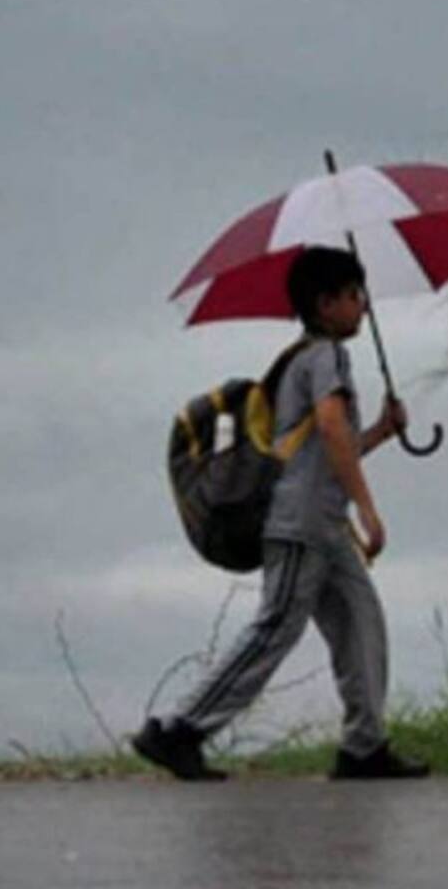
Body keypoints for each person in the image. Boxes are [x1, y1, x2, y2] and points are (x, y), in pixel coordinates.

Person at [132, 245, 430, 782]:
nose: (363, 305)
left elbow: (325, 448)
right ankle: (178, 730)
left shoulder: (309, 360)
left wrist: (383, 432)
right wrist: (368, 508)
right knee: (274, 628)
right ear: (325, 303)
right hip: (300, 524)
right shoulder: (326, 358)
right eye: (354, 295)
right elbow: (333, 428)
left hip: (323, 524)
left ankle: (364, 746)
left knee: (361, 623)